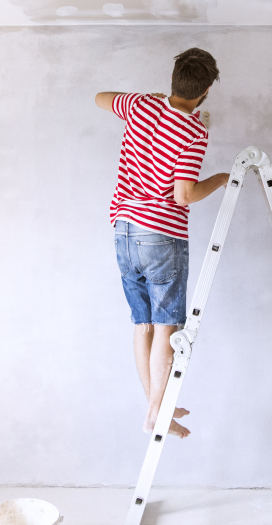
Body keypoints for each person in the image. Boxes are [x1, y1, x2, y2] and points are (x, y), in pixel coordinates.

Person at [95, 48, 229, 437]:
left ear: (173, 80)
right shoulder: (194, 131)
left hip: (122, 229)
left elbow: (100, 98)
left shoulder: (139, 106)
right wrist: (220, 178)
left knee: (143, 325)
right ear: (204, 91)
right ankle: (157, 411)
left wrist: (146, 101)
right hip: (160, 232)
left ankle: (154, 406)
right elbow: (183, 195)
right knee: (168, 324)